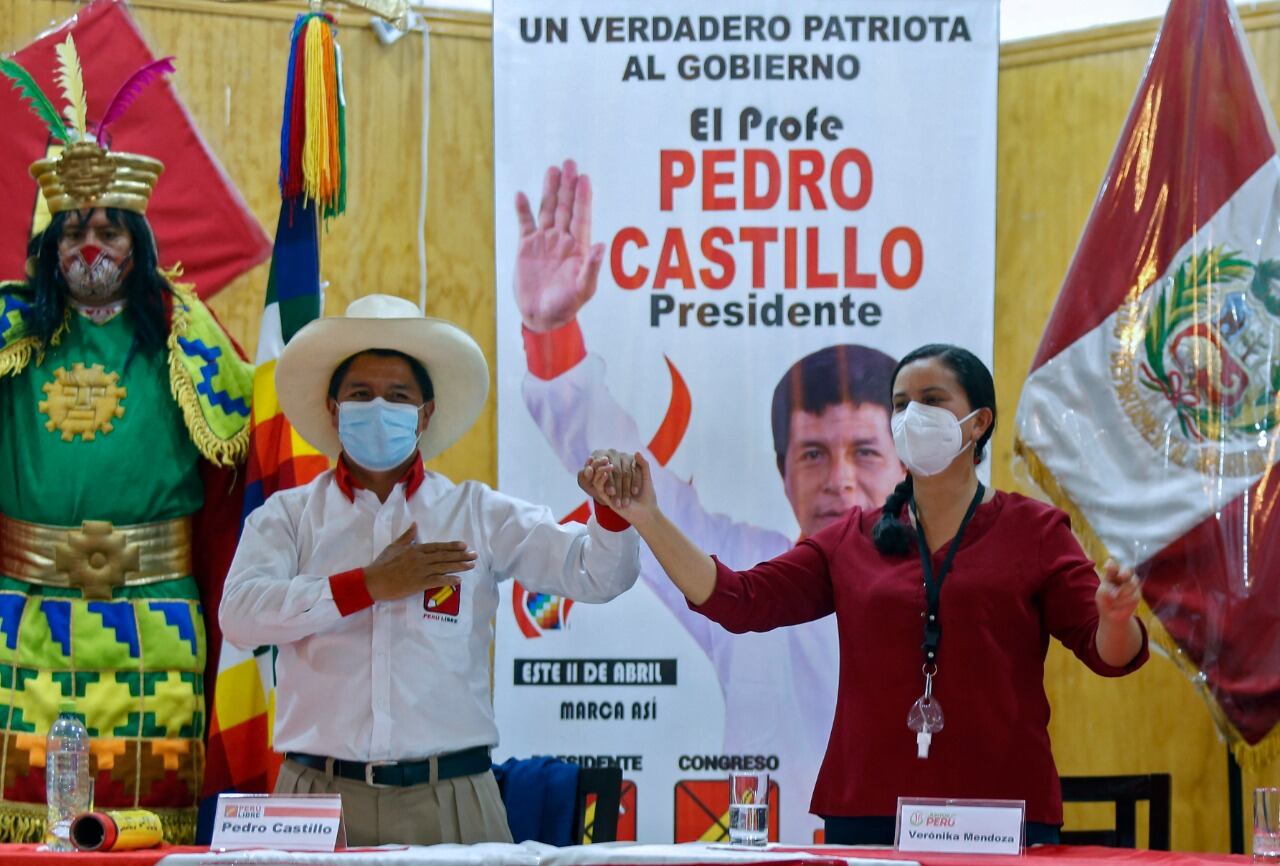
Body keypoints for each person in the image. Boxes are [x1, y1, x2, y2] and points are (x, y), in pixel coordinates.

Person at [591, 343, 1149, 844]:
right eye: (901, 403)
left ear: (979, 423)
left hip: (1001, 814)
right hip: (870, 809)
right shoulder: (851, 539)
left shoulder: (1036, 530)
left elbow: (1110, 654)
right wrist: (647, 517)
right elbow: (739, 602)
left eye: (931, 398)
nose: (911, 416)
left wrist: (1117, 617)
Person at [513, 159, 906, 840]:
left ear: (907, 463)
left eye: (865, 452)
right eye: (813, 454)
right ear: (783, 472)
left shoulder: (956, 575)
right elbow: (627, 470)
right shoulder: (751, 569)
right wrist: (553, 338)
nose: (840, 479)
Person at [218, 294, 642, 847]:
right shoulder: (291, 517)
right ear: (332, 408)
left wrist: (610, 516)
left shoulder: (478, 514)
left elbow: (596, 575)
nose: (377, 408)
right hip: (315, 800)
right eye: (360, 394)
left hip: (452, 800)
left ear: (425, 413)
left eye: (397, 396)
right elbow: (241, 616)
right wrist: (364, 586)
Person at [0, 46, 252, 841]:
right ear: (49, 244)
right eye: (73, 229)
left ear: (137, 241)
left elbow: (249, 454)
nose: (91, 245)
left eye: (109, 228)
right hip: (22, 610)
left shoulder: (186, 330)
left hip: (156, 615)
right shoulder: (9, 330)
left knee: (150, 812)